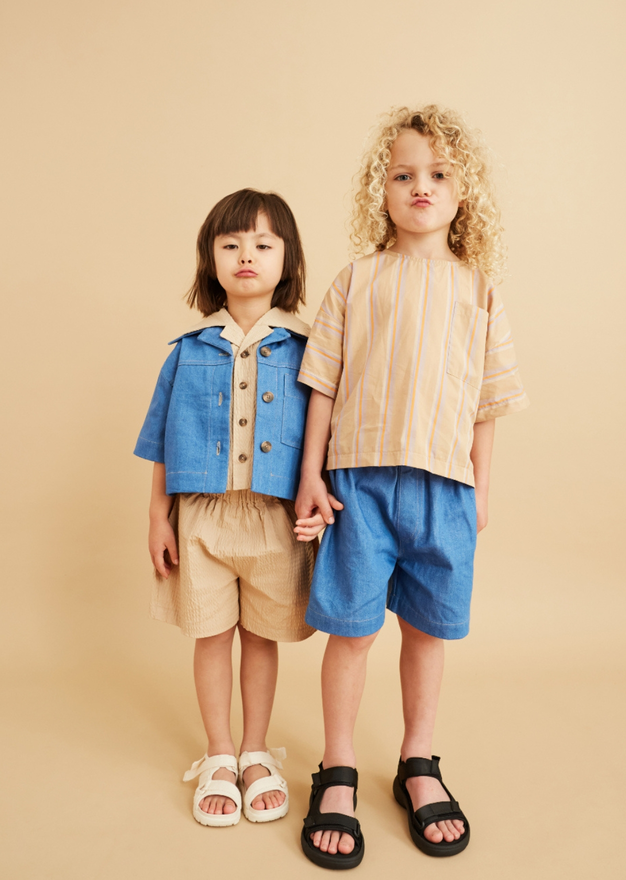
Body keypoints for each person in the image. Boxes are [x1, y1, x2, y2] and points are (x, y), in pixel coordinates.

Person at [294, 105, 530, 868]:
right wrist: (310, 479)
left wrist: (482, 488)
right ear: (381, 191)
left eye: (437, 175)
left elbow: (488, 404)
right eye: (403, 175)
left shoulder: (479, 290)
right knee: (353, 631)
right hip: (359, 484)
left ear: (465, 196)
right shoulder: (357, 280)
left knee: (427, 632)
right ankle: (336, 768)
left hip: (444, 489)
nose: (419, 187)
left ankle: (418, 763)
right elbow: (321, 386)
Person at [134, 189, 328, 827]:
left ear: (288, 260)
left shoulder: (311, 349)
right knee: (211, 634)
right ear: (210, 259)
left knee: (260, 636)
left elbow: (326, 437)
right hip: (203, 519)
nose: (247, 254)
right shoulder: (187, 350)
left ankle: (254, 749)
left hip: (274, 518)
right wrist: (159, 516)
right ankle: (218, 750)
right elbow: (162, 440)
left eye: (264, 243)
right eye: (231, 243)